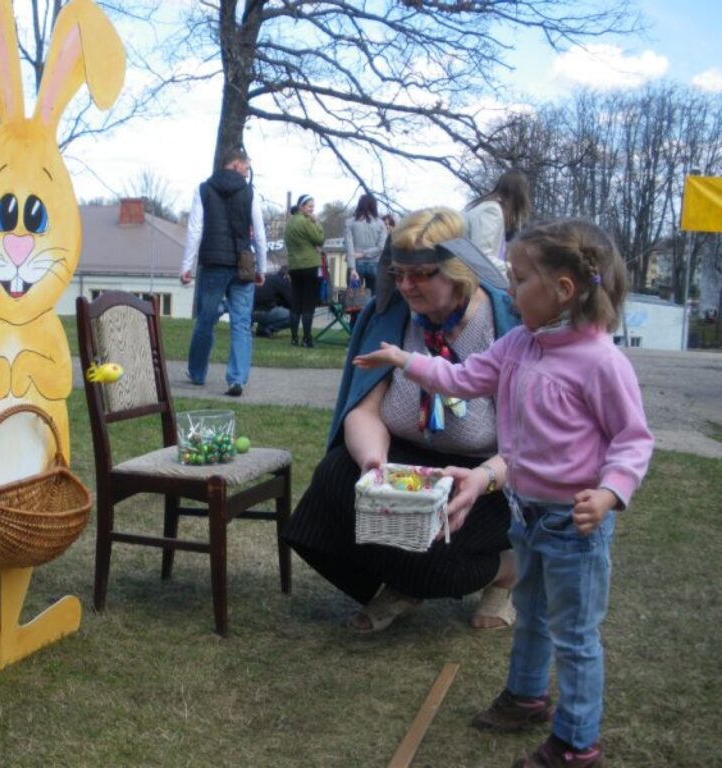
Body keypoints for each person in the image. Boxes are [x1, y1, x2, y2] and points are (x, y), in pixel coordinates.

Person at [355, 218, 653, 768]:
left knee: (575, 634)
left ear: (562, 291)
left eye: (517, 280)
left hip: (574, 525)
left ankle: (576, 744)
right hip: (527, 513)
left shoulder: (601, 362)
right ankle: (526, 696)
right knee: (532, 611)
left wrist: (610, 494)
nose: (508, 291)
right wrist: (404, 361)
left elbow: (633, 441)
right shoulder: (519, 343)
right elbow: (462, 378)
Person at [282, 207, 519, 634]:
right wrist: (375, 464)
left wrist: (484, 478)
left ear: (459, 271)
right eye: (399, 273)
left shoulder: (505, 326)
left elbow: (531, 445)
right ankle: (403, 579)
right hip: (409, 463)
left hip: (485, 479)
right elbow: (365, 409)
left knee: (435, 558)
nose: (406, 286)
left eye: (423, 274)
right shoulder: (389, 315)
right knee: (330, 488)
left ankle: (506, 569)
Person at [180, 147, 268, 397]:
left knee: (206, 320)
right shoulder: (250, 193)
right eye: (246, 167)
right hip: (243, 264)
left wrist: (187, 266)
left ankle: (197, 373)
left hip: (213, 263)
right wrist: (261, 268)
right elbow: (260, 236)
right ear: (236, 164)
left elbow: (195, 230)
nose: (248, 172)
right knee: (241, 323)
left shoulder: (203, 189)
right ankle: (237, 378)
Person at [463, 169, 531, 277]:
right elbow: (481, 259)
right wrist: (516, 270)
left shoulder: (489, 208)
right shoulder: (491, 211)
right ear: (520, 197)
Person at [284, 194, 325, 348]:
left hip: (294, 266)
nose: (312, 210)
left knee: (295, 303)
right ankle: (307, 338)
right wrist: (317, 223)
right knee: (308, 303)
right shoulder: (307, 221)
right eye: (309, 206)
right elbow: (319, 239)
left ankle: (294, 338)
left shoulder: (290, 223)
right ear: (301, 206)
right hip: (309, 265)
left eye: (313, 207)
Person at [344, 194, 387, 295]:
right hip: (375, 264)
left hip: (356, 264)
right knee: (375, 300)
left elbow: (349, 248)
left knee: (354, 299)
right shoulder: (381, 223)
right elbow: (381, 247)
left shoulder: (349, 223)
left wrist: (352, 268)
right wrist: (365, 254)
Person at [252, 266, 292, 338]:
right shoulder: (283, 282)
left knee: (272, 309)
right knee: (294, 316)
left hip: (251, 312)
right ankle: (269, 329)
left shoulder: (268, 277)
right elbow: (291, 303)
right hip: (265, 311)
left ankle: (261, 329)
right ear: (287, 275)